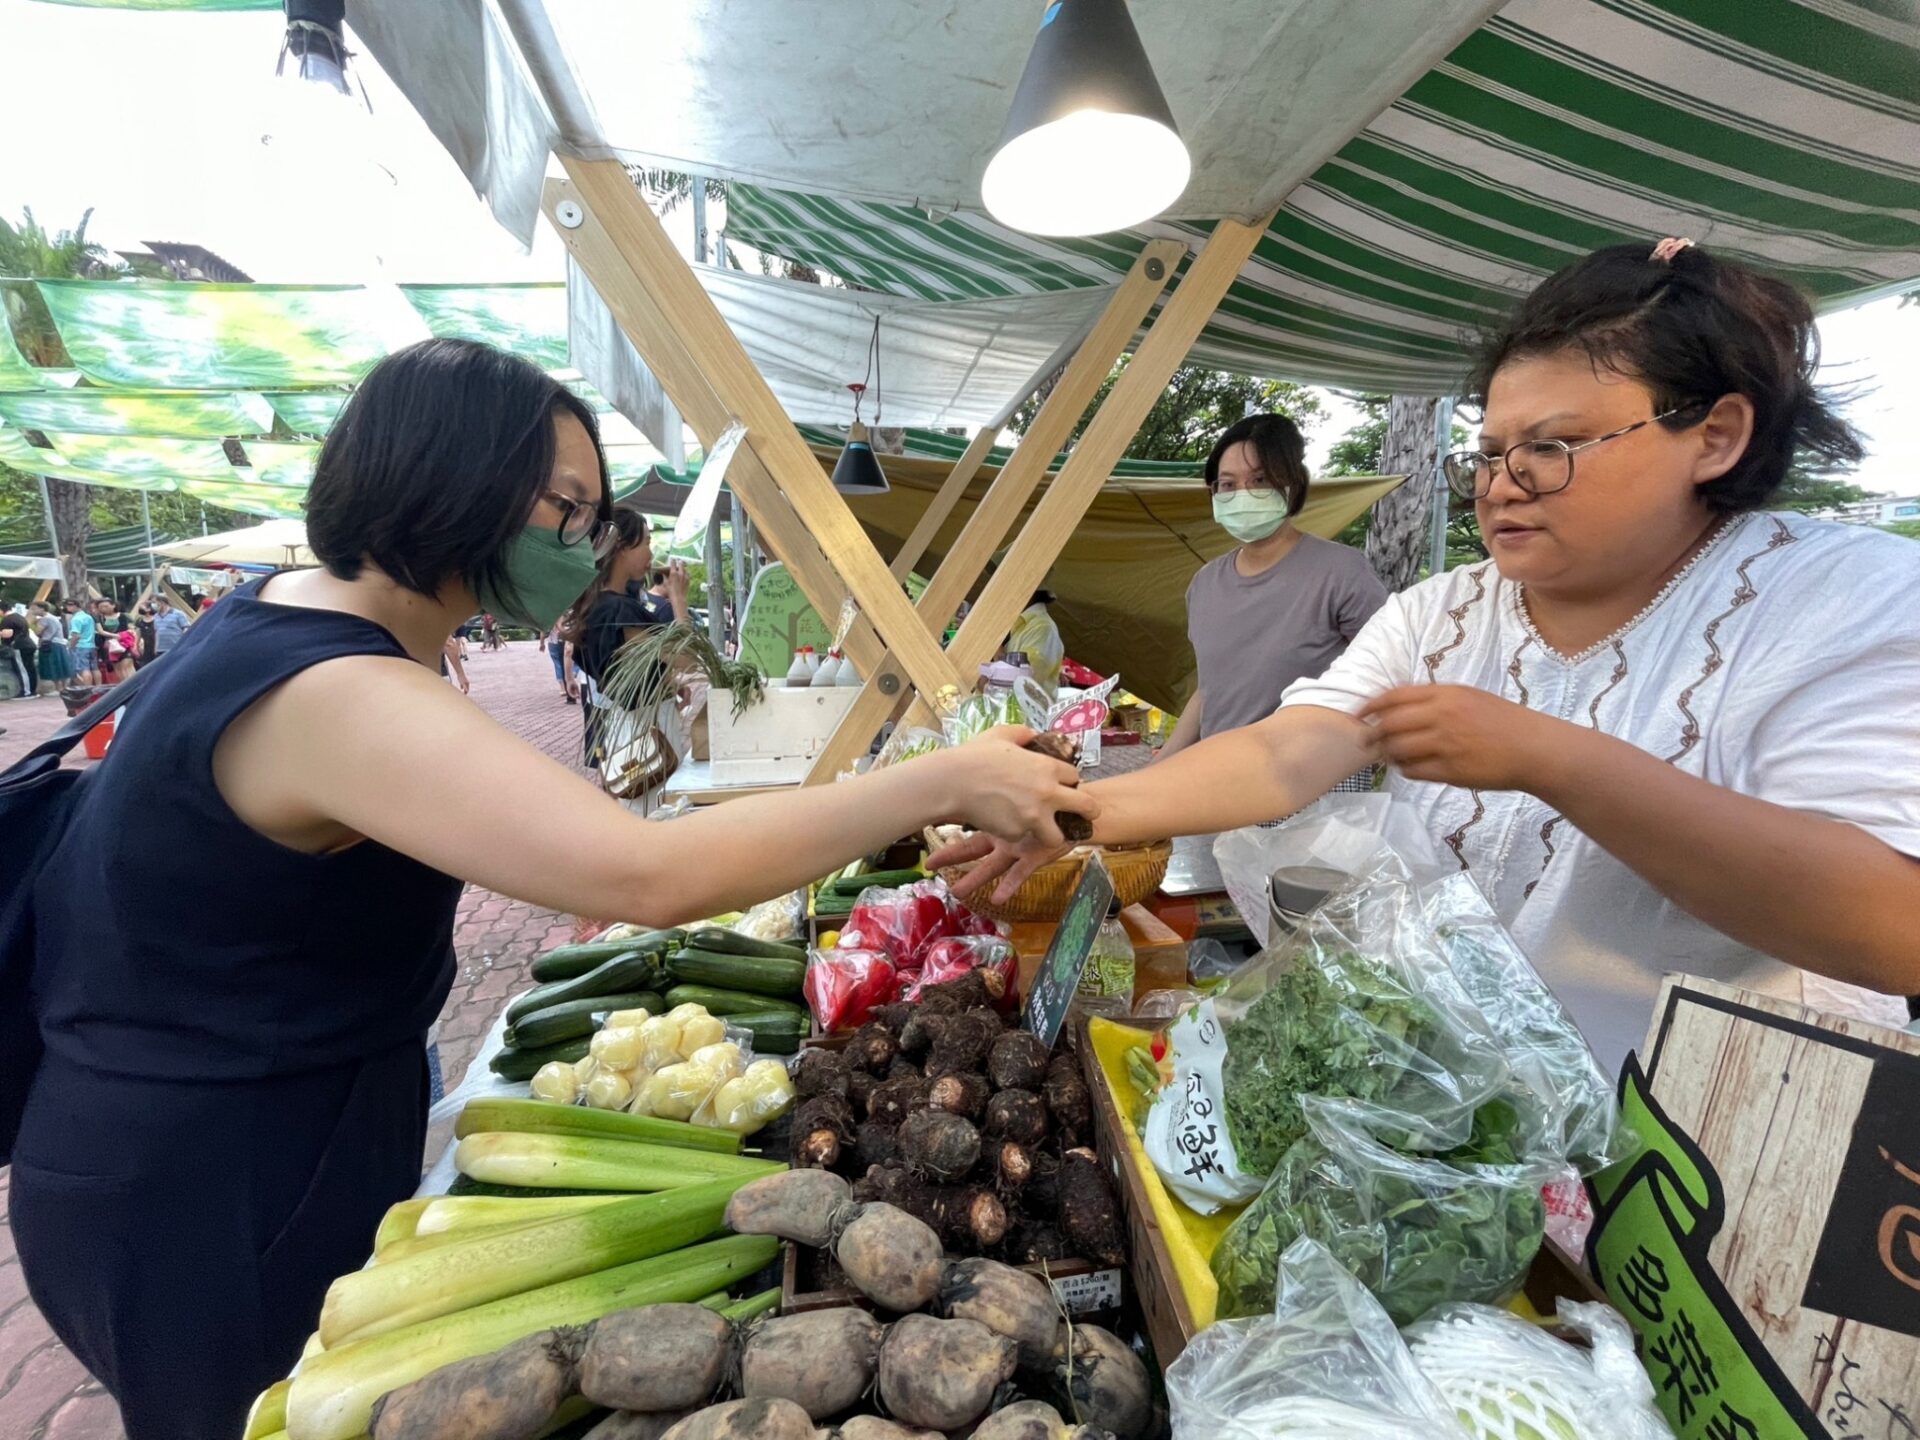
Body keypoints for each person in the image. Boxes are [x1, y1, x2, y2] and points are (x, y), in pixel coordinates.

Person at [10, 337, 1088, 1440]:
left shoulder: (294, 621)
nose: (588, 542)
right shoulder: (332, 688)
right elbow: (648, 873)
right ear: (448, 475)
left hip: (249, 1123)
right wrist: (942, 778)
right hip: (204, 1184)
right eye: (566, 508)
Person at [938, 239, 1920, 1074]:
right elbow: (1290, 749)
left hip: (1708, 1178)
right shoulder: (1447, 613)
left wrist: (1553, 758)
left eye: (1553, 446)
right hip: (1467, 1121)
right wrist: (1081, 813)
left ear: (1714, 436)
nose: (1503, 485)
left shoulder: (1837, 600)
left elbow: (1889, 924)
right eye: (1488, 454)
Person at [1156, 414, 1387, 790]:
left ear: (1292, 484)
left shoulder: (1342, 572)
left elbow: (1392, 673)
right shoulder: (1204, 584)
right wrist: (1160, 769)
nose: (1242, 494)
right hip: (1218, 786)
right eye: (1227, 484)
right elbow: (1211, 691)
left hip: (1315, 791)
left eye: (1259, 480)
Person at [562, 511, 691, 778]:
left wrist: (668, 683)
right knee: (655, 811)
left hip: (630, 731)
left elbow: (629, 670)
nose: (650, 553)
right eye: (645, 542)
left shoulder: (601, 605)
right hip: (649, 735)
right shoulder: (618, 610)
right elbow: (685, 658)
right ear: (621, 547)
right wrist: (678, 599)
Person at [30, 601, 69, 693]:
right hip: (60, 643)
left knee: (52, 666)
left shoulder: (44, 619)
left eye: (34, 608)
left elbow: (38, 632)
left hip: (49, 644)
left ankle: (58, 688)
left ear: (42, 608)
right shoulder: (54, 618)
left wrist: (34, 624)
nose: (32, 611)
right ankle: (64, 687)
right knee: (61, 666)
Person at [0, 609, 38, 696]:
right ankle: (32, 690)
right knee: (30, 668)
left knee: (22, 669)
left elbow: (7, 636)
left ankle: (25, 691)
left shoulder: (8, 620)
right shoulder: (19, 617)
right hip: (28, 644)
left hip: (19, 646)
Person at [63, 599, 97, 686]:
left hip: (80, 645)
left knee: (83, 669)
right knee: (94, 668)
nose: (67, 608)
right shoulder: (88, 617)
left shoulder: (76, 619)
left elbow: (76, 635)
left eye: (69, 605)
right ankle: (97, 687)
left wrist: (71, 646)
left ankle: (87, 689)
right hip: (91, 644)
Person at [546, 621, 580, 703]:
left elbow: (569, 650)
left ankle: (569, 695)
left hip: (559, 640)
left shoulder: (559, 611)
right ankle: (573, 673)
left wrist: (569, 679)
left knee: (561, 664)